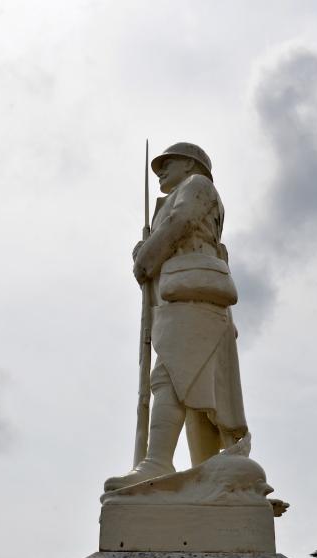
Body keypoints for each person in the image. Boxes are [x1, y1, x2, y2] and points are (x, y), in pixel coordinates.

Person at [105, 142, 247, 492]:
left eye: (168, 163)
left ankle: (157, 462)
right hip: (181, 297)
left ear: (190, 164)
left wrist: (146, 256)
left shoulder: (197, 186)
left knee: (170, 375)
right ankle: (203, 472)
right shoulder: (184, 193)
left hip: (191, 294)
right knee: (187, 382)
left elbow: (180, 221)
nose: (161, 171)